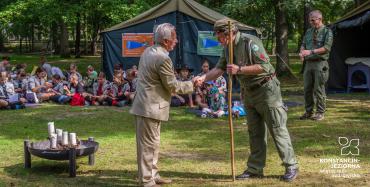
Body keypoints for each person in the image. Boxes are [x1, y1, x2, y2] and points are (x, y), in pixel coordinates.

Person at [193, 18, 298, 182]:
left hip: (267, 90)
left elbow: (265, 66)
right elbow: (220, 69)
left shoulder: (250, 42)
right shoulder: (227, 48)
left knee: (277, 128)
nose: (218, 40)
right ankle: (255, 168)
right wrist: (203, 78)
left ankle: (291, 165)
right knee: (255, 132)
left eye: (219, 36)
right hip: (248, 92)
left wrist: (239, 69)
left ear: (228, 33)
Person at [130, 23, 194, 187]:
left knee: (152, 144)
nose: (177, 41)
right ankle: (146, 181)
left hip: (147, 105)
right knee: (147, 147)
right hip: (149, 107)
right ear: (166, 41)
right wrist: (193, 83)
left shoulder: (148, 51)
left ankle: (152, 175)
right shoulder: (163, 58)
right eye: (174, 38)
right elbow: (172, 86)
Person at [299, 10, 333, 121]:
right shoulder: (309, 31)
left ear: (320, 18)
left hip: (320, 63)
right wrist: (302, 52)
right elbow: (303, 43)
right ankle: (308, 112)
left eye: (313, 20)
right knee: (307, 89)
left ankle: (320, 112)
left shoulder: (327, 32)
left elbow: (326, 48)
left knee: (318, 89)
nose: (311, 22)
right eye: (310, 20)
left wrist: (311, 52)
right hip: (308, 64)